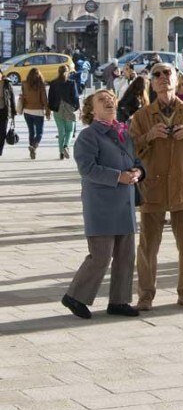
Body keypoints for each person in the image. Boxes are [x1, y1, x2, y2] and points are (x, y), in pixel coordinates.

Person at [129, 61, 183, 310]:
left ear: (176, 77)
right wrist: (149, 136)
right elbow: (130, 150)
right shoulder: (142, 116)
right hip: (153, 188)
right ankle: (145, 296)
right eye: (156, 74)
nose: (162, 77)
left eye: (167, 73)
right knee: (147, 247)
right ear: (151, 82)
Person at [61, 89, 144, 320]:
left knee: (126, 256)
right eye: (102, 99)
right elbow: (87, 169)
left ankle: (119, 301)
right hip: (101, 204)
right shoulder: (89, 136)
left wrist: (138, 171)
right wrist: (118, 176)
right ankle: (75, 296)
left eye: (111, 98)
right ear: (91, 109)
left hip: (125, 202)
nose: (109, 101)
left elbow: (136, 161)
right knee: (101, 256)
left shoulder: (124, 133)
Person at [48, 63, 80, 160]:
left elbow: (50, 97)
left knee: (61, 131)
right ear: (68, 72)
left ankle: (61, 153)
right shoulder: (71, 83)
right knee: (70, 130)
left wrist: (51, 108)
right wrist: (76, 107)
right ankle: (66, 146)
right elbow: (75, 97)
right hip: (69, 108)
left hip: (57, 108)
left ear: (58, 72)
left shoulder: (53, 83)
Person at [21, 66, 50, 160]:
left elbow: (23, 96)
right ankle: (34, 147)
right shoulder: (41, 85)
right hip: (38, 111)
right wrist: (47, 111)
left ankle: (31, 147)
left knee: (31, 131)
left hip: (27, 110)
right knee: (39, 132)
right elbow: (44, 99)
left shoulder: (24, 84)